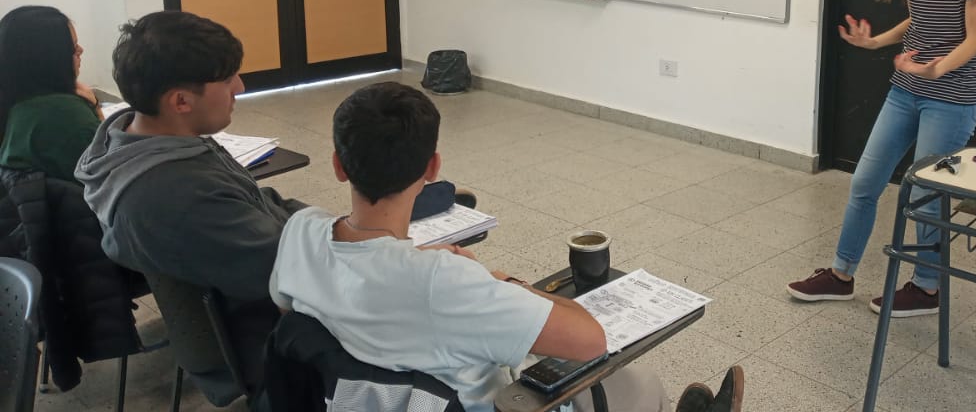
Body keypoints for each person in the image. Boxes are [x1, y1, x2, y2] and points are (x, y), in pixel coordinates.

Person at [270, 82, 744, 412]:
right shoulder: (445, 281)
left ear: (338, 165)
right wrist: (501, 281)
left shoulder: (301, 232)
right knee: (638, 383)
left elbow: (302, 307)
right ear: (433, 167)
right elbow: (590, 339)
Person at [787, 0, 976, 318]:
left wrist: (936, 68)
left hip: (951, 98)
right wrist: (876, 42)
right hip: (905, 91)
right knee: (865, 183)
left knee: (923, 194)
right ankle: (841, 275)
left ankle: (926, 288)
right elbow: (919, 18)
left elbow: (975, 38)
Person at [76, 10, 306, 402]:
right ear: (180, 101)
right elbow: (291, 275)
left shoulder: (140, 142)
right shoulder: (176, 194)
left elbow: (257, 201)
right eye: (228, 79)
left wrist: (329, 227)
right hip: (268, 339)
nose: (240, 86)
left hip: (259, 296)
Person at [0, 5, 103, 183]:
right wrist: (95, 107)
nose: (81, 50)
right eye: (73, 46)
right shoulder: (64, 113)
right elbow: (112, 171)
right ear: (48, 57)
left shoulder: (15, 101)